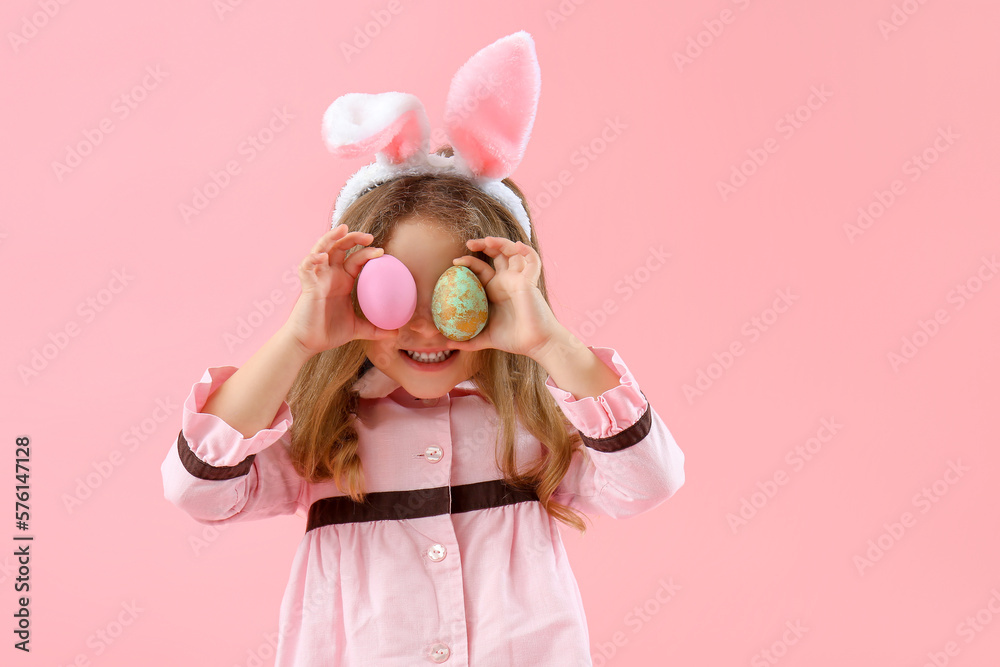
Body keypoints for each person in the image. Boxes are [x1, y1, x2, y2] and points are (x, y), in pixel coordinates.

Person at [160, 32, 685, 667]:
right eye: (396, 297)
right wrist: (299, 339)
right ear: (355, 298)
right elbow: (197, 491)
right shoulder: (327, 435)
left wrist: (548, 339)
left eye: (456, 297)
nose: (429, 331)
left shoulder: (533, 427)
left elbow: (651, 482)